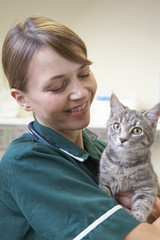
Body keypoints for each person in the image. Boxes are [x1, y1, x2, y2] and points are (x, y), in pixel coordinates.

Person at [0, 15, 160, 240]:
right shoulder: (28, 163)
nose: (81, 92)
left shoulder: (97, 148)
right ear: (22, 99)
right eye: (57, 87)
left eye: (84, 74)